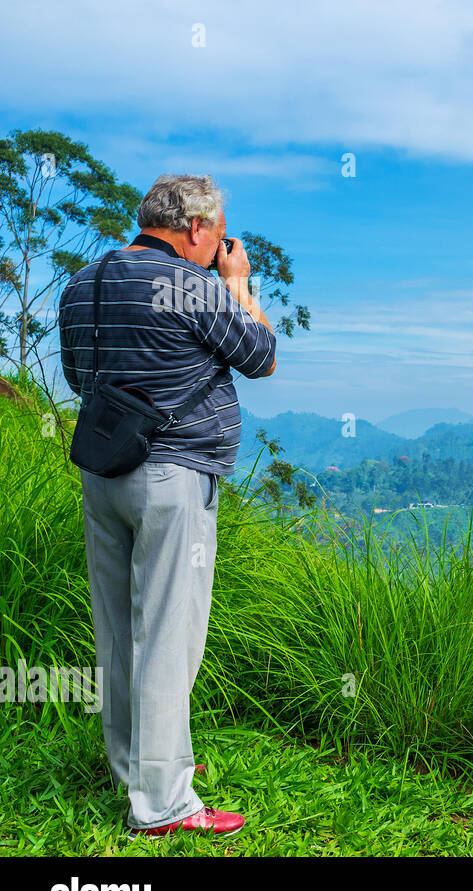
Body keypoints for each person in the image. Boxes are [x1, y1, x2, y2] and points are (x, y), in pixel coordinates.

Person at [57, 174, 277, 837]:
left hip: (104, 472)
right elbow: (262, 354)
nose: (218, 246)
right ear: (198, 228)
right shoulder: (197, 285)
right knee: (169, 633)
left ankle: (139, 767)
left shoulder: (83, 283)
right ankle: (164, 806)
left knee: (119, 630)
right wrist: (238, 282)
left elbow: (77, 375)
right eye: (218, 233)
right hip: (174, 479)